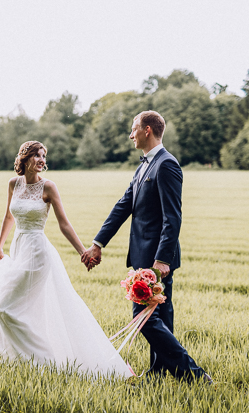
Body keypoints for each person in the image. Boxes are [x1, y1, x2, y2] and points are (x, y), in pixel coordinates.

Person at [0, 141, 133, 378]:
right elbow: (8, 216)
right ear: (25, 158)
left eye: (44, 156)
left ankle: (46, 363)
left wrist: (82, 252)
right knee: (22, 311)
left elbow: (64, 224)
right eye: (38, 155)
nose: (42, 160)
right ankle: (26, 363)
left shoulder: (49, 187)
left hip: (37, 254)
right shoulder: (13, 184)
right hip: (18, 249)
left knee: (5, 309)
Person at [81, 111, 212, 383]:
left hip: (156, 262)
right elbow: (123, 206)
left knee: (145, 319)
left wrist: (162, 259)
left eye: (134, 129)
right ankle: (159, 373)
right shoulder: (143, 167)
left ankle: (195, 376)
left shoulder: (166, 165)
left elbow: (172, 217)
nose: (131, 135)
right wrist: (98, 243)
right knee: (160, 317)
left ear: (148, 130)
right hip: (143, 259)